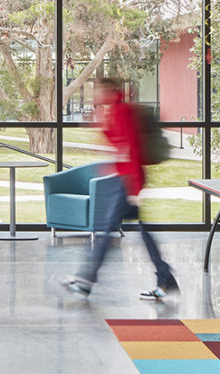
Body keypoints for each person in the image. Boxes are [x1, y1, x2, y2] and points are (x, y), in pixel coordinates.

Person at [61, 77, 178, 302]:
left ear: (109, 91)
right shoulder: (115, 111)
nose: (96, 96)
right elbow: (118, 142)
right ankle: (166, 279)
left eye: (98, 91)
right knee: (142, 233)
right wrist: (100, 125)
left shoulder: (122, 111)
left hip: (129, 182)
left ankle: (86, 281)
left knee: (105, 232)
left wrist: (134, 189)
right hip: (126, 180)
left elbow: (132, 147)